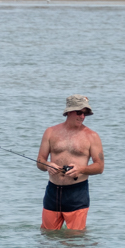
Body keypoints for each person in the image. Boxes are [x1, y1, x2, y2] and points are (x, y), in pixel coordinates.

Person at [37, 94, 104, 230]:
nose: (82, 117)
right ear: (69, 111)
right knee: (47, 238)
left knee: (75, 242)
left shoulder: (92, 136)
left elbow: (99, 167)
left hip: (77, 193)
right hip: (52, 192)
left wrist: (81, 169)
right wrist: (47, 165)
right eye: (79, 112)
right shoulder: (50, 132)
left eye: (85, 113)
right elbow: (40, 161)